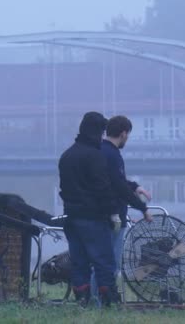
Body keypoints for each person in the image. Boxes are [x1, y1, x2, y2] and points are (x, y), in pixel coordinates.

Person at [58, 111, 120, 306]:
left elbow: (64, 189)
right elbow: (103, 187)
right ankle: (108, 303)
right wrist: (113, 213)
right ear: (97, 131)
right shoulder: (95, 155)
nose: (103, 135)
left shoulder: (66, 155)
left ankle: (82, 302)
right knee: (104, 262)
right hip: (93, 218)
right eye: (102, 131)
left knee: (79, 263)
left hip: (71, 218)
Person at [90, 115, 153, 304]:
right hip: (113, 217)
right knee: (110, 263)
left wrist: (134, 186)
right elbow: (118, 185)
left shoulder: (99, 150)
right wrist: (142, 208)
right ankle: (99, 302)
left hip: (100, 214)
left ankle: (96, 300)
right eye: (128, 135)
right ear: (124, 133)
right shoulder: (113, 154)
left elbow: (113, 181)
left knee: (101, 261)